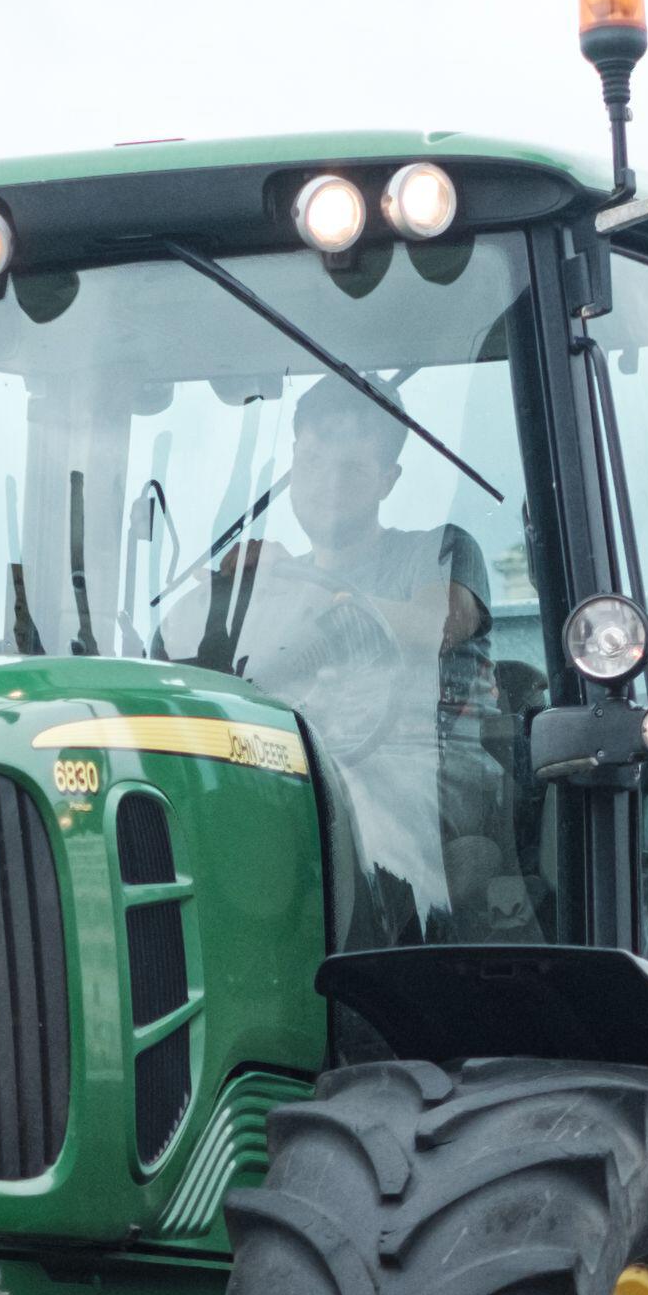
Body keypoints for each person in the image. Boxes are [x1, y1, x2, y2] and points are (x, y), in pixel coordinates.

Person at [233, 384, 530, 941]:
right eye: (312, 461)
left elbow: (437, 622)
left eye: (352, 468)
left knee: (335, 809)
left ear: (389, 480)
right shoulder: (276, 584)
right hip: (309, 764)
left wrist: (318, 598)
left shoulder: (440, 549)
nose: (327, 483)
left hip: (434, 771)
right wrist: (228, 590)